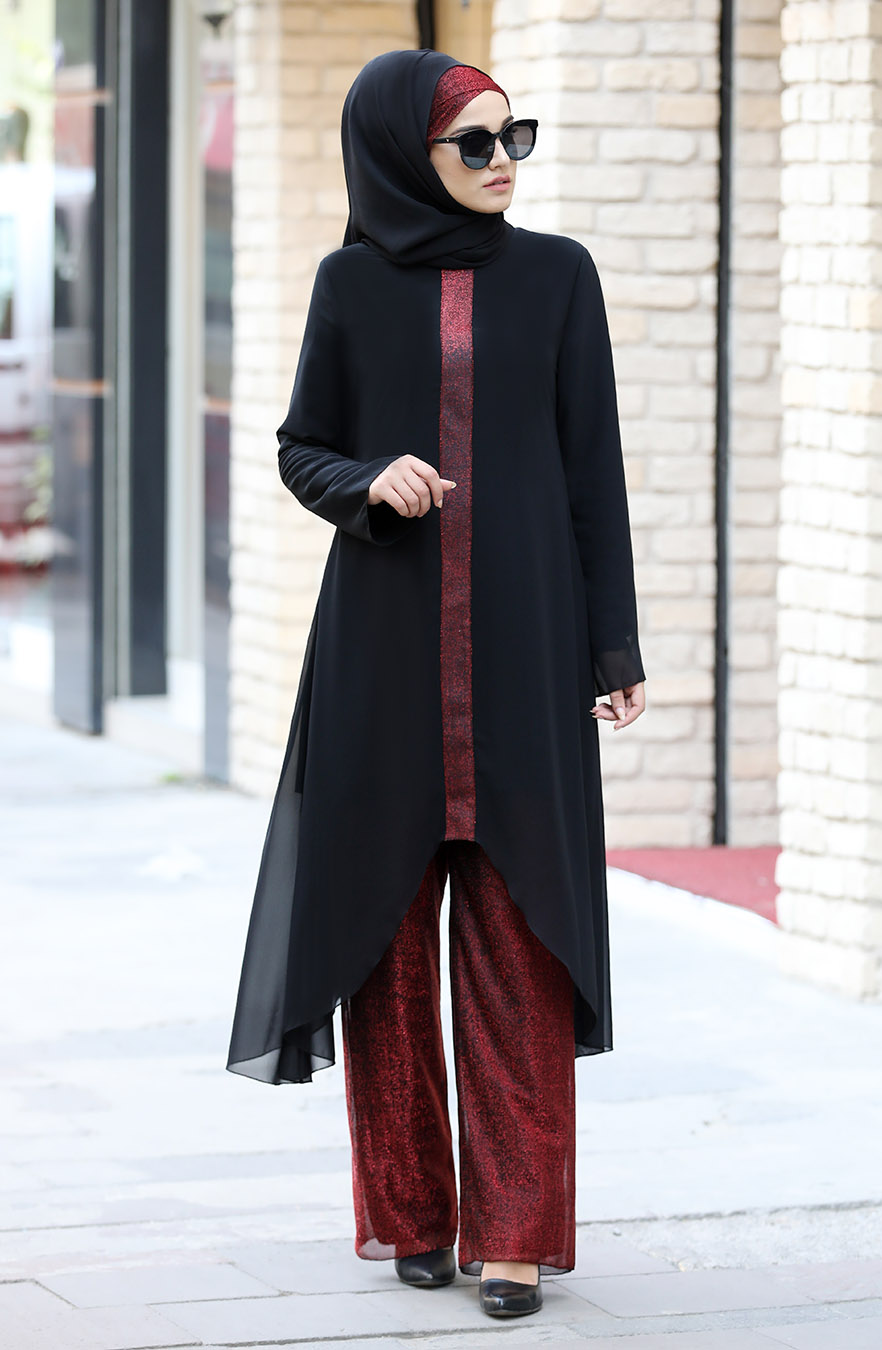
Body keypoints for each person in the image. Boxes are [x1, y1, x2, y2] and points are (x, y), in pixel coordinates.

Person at [226, 48, 646, 1320]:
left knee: (521, 947)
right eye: (476, 143)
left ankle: (515, 1236)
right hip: (383, 661)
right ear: (410, 155)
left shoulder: (561, 277)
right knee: (387, 948)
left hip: (525, 655)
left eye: (517, 134)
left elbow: (595, 471)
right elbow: (303, 449)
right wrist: (371, 485)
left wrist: (614, 646)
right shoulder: (349, 285)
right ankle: (412, 1218)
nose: (505, 160)